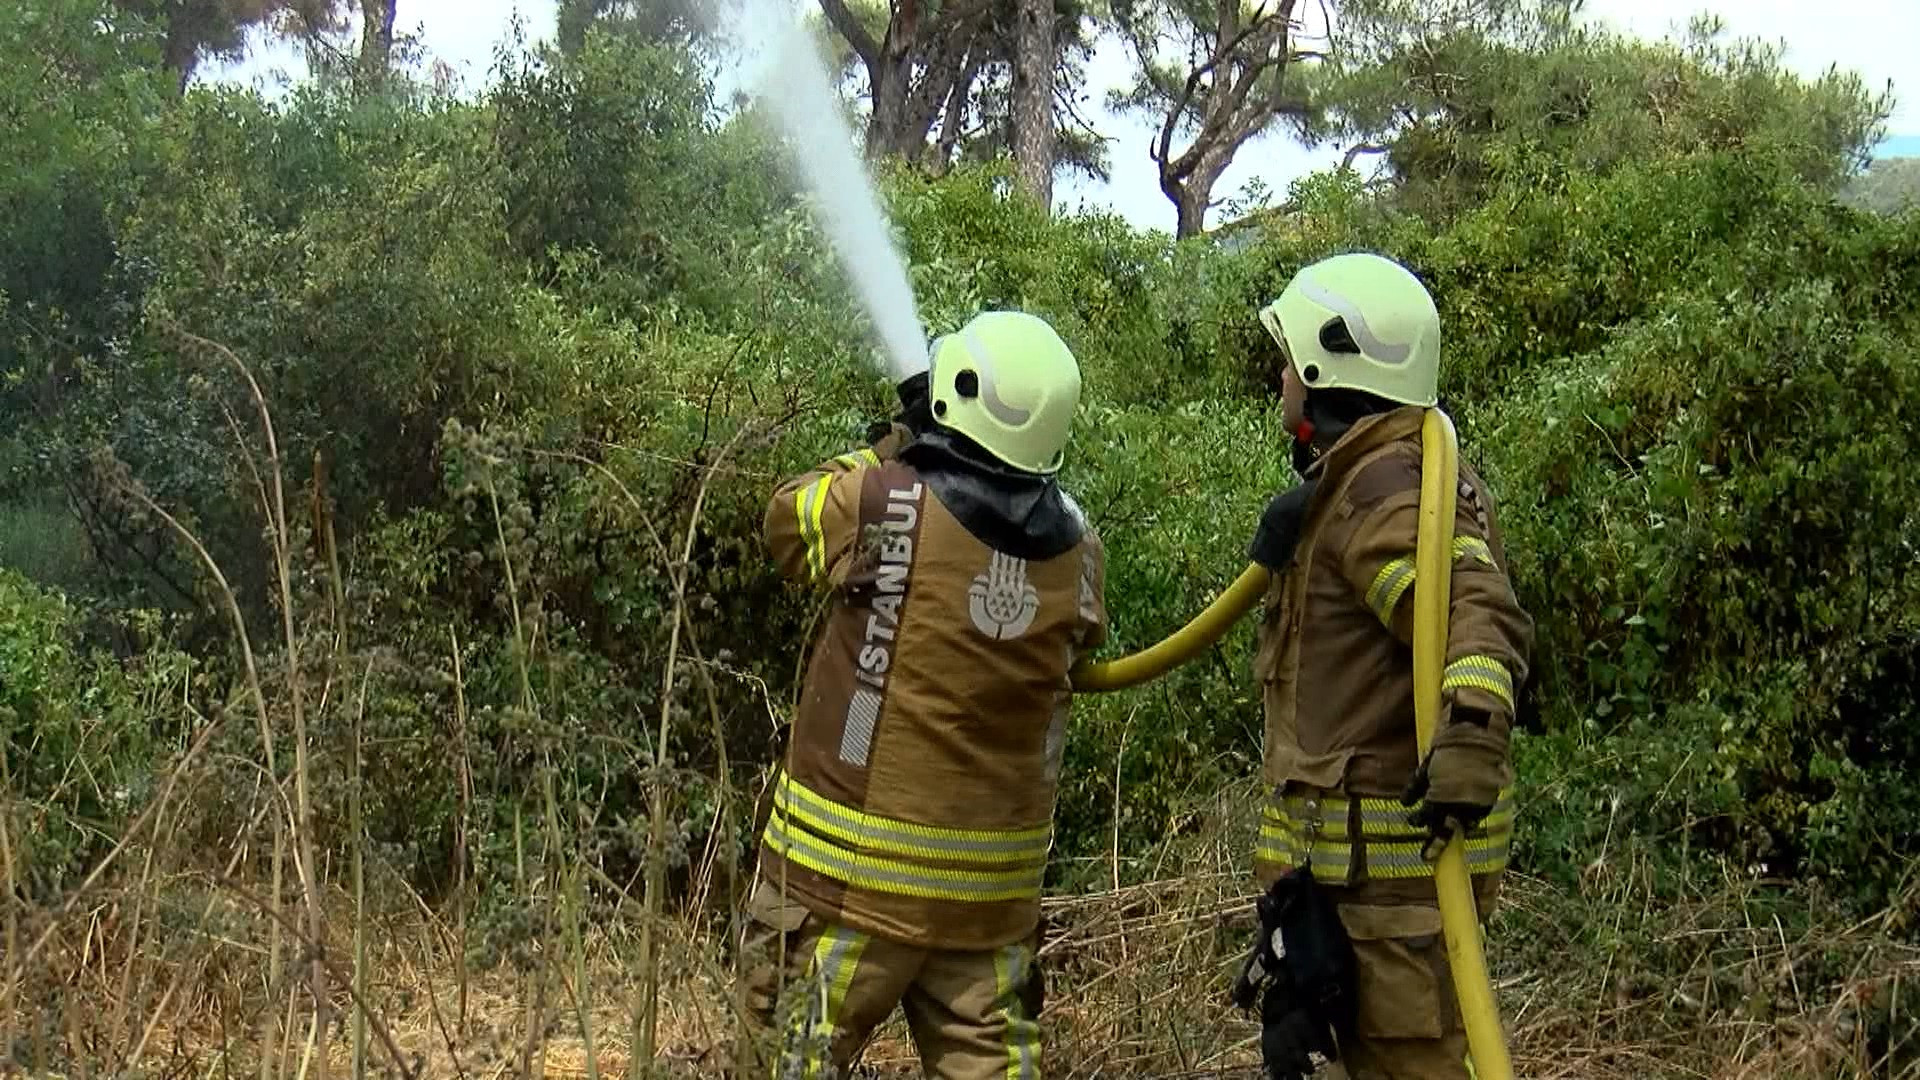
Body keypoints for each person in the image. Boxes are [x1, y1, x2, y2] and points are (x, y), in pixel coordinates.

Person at [736, 310, 1108, 1080]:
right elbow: (1081, 642)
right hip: (990, 914)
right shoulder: (1080, 549)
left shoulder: (883, 501)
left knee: (788, 1061)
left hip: (848, 890)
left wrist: (890, 447)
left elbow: (786, 519)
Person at [1238, 252, 1535, 1080]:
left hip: (1396, 899)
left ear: (1326, 367)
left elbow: (1472, 605)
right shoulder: (1373, 477)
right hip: (1354, 895)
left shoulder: (1384, 488)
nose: (1280, 383)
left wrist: (1473, 724)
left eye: (1288, 362)